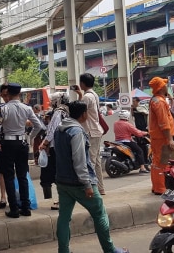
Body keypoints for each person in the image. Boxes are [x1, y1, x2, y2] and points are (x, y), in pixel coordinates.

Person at [55, 101, 129, 253]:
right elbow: (80, 161)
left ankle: (63, 251)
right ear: (83, 114)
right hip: (80, 183)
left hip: (62, 181)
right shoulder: (76, 132)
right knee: (100, 214)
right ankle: (110, 250)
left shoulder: (59, 130)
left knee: (63, 218)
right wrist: (87, 184)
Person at [0, 83, 42, 218]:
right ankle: (26, 207)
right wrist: (29, 138)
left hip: (7, 144)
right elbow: (38, 126)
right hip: (22, 143)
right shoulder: (27, 108)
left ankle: (14, 208)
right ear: (19, 94)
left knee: (8, 176)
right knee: (22, 175)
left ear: (7, 94)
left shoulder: (3, 109)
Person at [73, 73, 106, 195]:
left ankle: (92, 189)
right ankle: (100, 188)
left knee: (90, 161)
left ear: (82, 83)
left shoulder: (87, 97)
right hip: (96, 130)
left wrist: (80, 96)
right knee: (96, 161)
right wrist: (80, 95)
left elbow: (79, 111)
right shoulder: (94, 94)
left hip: (91, 131)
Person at [38, 92, 70, 210]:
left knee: (52, 175)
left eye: (53, 100)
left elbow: (52, 131)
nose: (51, 102)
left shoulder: (58, 113)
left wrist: (44, 143)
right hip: (63, 147)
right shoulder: (67, 112)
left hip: (55, 148)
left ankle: (59, 199)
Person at [148, 77, 174, 195]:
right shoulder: (159, 102)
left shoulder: (156, 100)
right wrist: (170, 139)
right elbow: (163, 122)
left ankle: (156, 187)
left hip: (157, 137)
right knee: (162, 163)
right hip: (162, 137)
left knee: (156, 162)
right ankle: (161, 188)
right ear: (161, 87)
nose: (166, 86)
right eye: (164, 84)